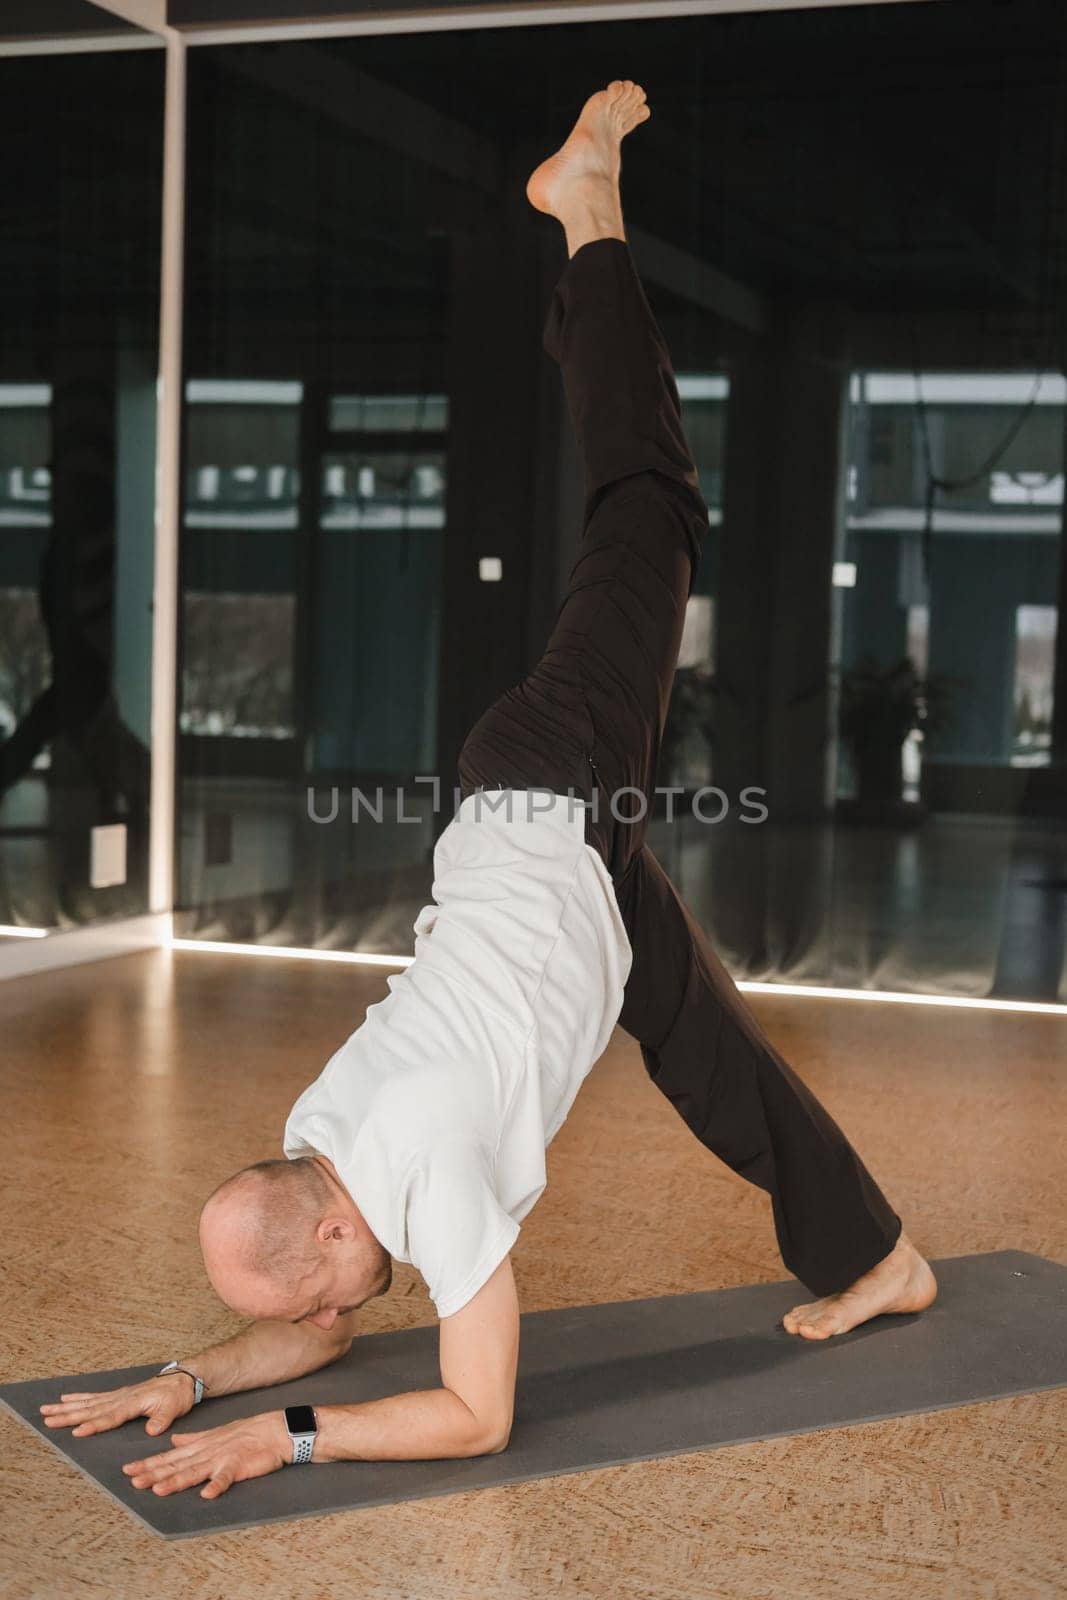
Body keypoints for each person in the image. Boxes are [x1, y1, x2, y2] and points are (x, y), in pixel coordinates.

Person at [40, 82, 936, 1502]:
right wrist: (196, 1376)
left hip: (553, 791)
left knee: (648, 505)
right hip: (553, 861)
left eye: (305, 1305)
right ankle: (876, 1255)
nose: (324, 1329)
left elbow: (475, 1416)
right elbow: (315, 1319)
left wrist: (289, 1435)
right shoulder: (319, 1131)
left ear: (335, 1243)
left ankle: (586, 217)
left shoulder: (435, 1190)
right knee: (710, 1057)